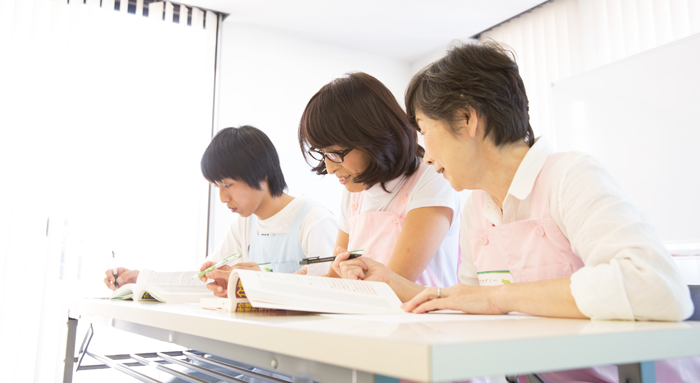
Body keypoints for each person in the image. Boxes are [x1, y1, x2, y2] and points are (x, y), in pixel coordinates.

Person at [332, 41, 698, 382]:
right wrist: (395, 284)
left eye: (425, 130)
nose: (425, 155)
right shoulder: (478, 206)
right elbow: (470, 311)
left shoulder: (569, 175)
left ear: (466, 118)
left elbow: (657, 288)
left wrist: (499, 298)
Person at [105, 126, 338, 297]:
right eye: (217, 187)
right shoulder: (245, 224)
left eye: (228, 185)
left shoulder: (313, 220)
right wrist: (141, 279)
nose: (223, 198)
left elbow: (330, 296)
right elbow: (204, 281)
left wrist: (264, 281)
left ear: (261, 173)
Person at [298, 72, 461, 287]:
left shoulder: (431, 179)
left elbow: (394, 285)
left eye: (336, 153)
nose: (329, 168)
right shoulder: (353, 192)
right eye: (323, 154)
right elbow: (336, 278)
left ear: (372, 137)